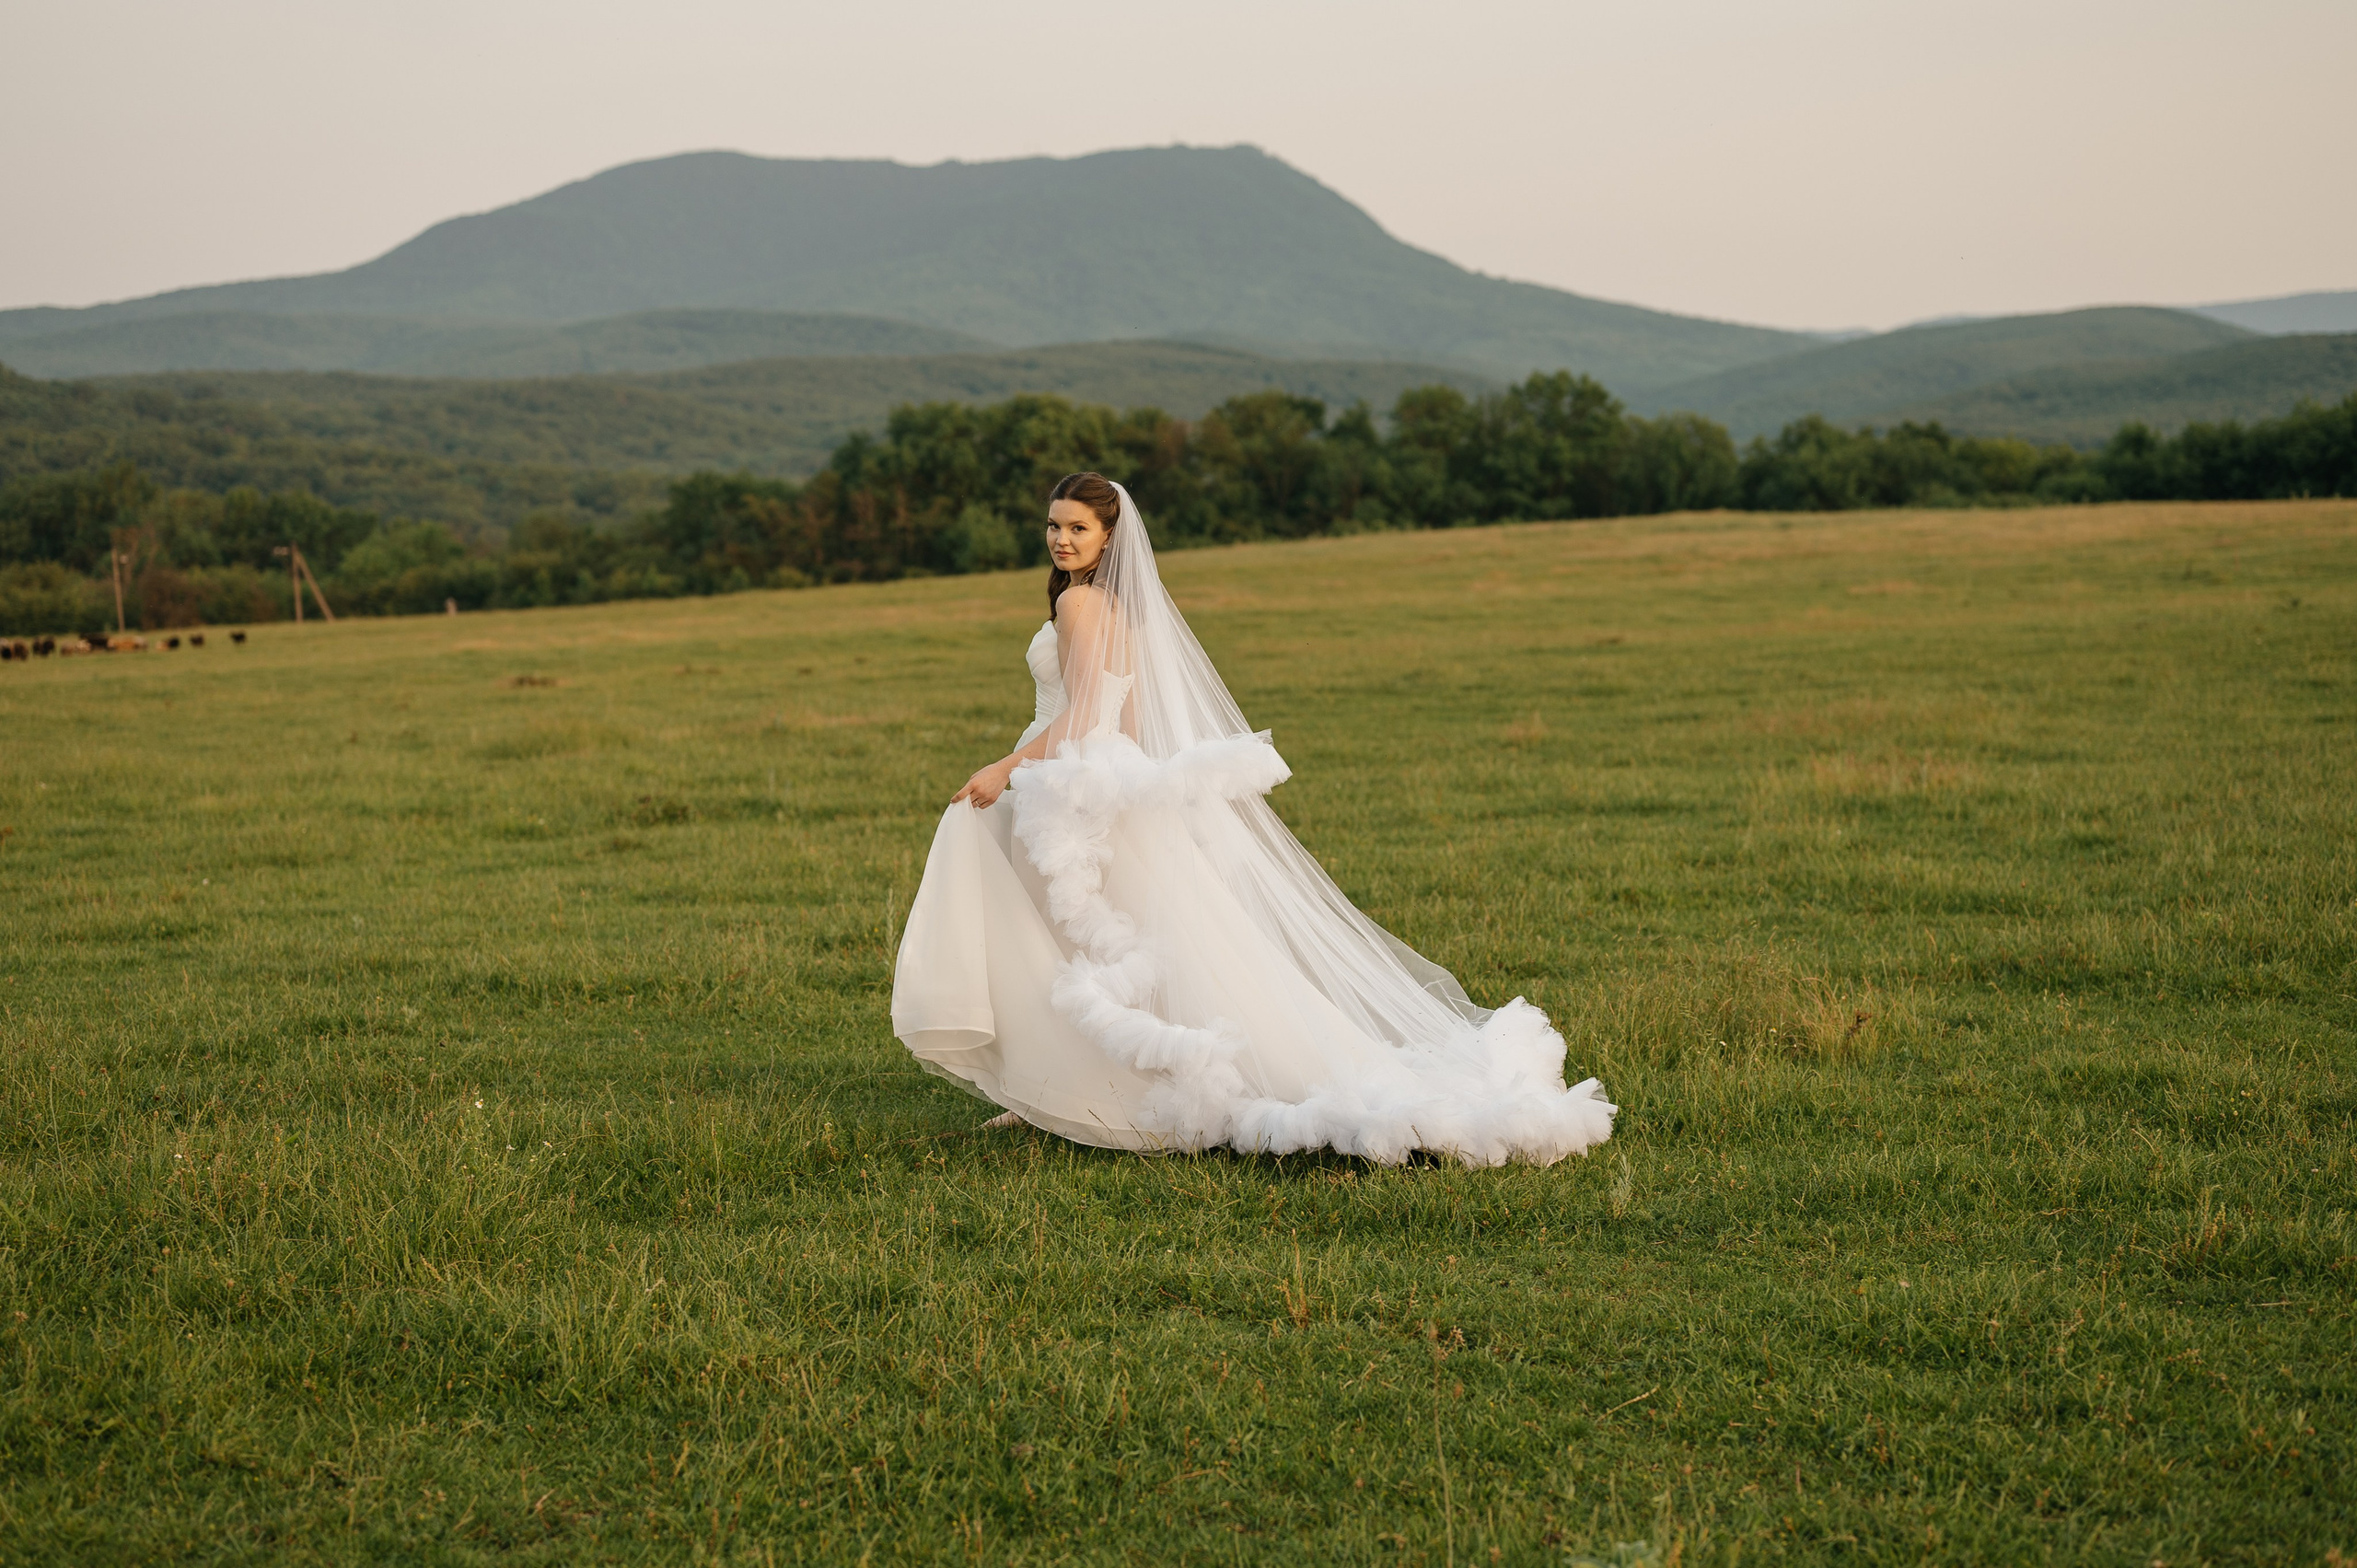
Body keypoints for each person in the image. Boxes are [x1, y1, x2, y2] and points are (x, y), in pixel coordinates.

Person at [890, 472, 1615, 1166]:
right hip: (1093, 776)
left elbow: (1082, 710)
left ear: (1110, 536)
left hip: (1067, 780)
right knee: (1098, 943)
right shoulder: (1116, 607)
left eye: (1077, 527)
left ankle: (1057, 1089)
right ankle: (1054, 1090)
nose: (1061, 538)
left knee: (1056, 938)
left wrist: (1004, 770)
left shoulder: (1081, 606)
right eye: (1053, 525)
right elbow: (1125, 714)